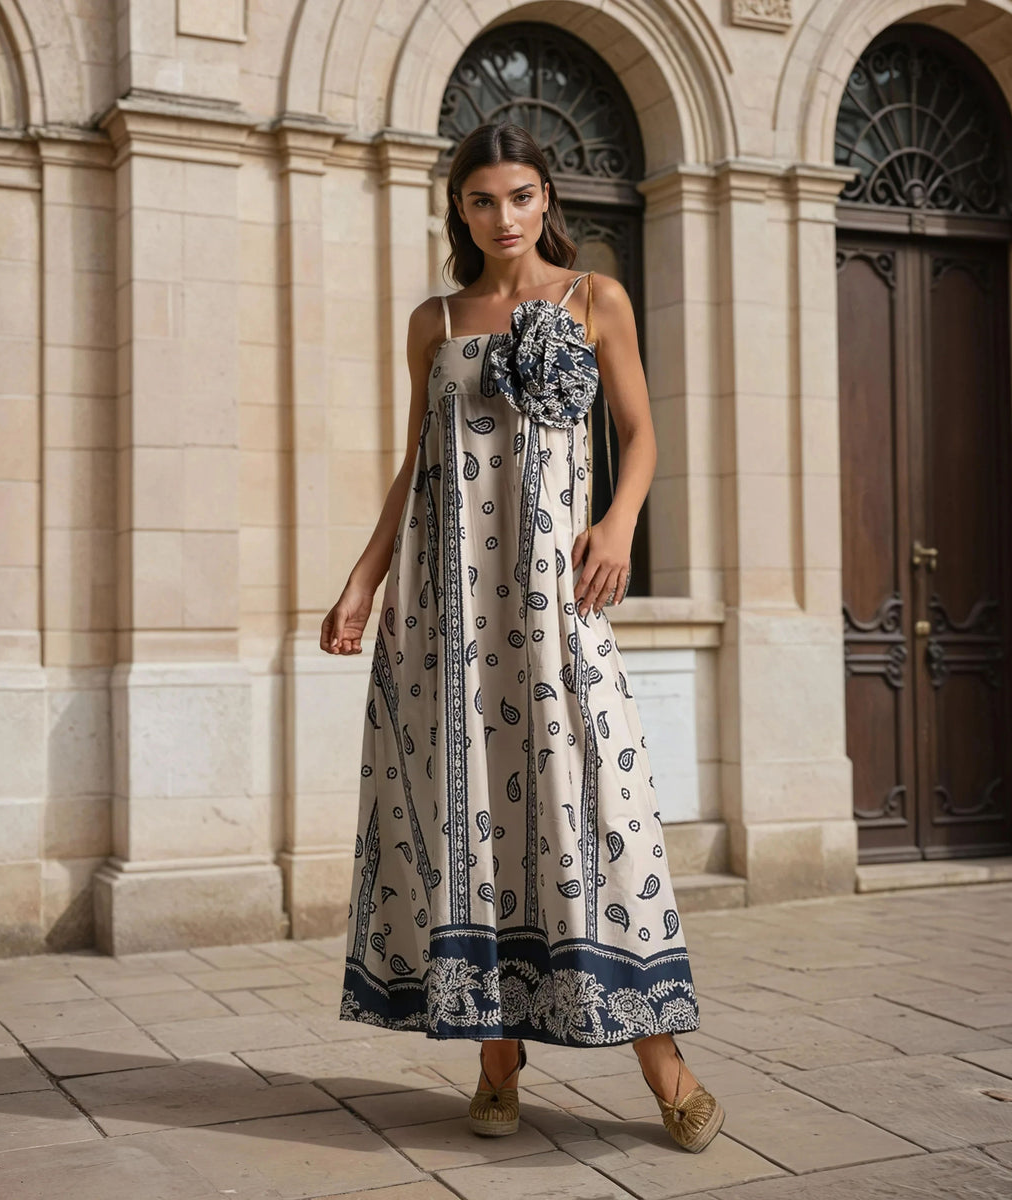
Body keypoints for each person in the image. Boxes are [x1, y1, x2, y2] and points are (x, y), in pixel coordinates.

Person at [320, 121, 725, 1154]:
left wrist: (622, 522)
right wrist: (363, 582)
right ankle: (496, 1060)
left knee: (600, 807)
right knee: (470, 818)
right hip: (451, 611)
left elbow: (640, 435)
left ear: (549, 200)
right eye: (482, 201)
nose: (504, 217)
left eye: (522, 196)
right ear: (459, 211)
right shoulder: (435, 319)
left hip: (558, 598)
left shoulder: (596, 300)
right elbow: (418, 469)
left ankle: (666, 1067)